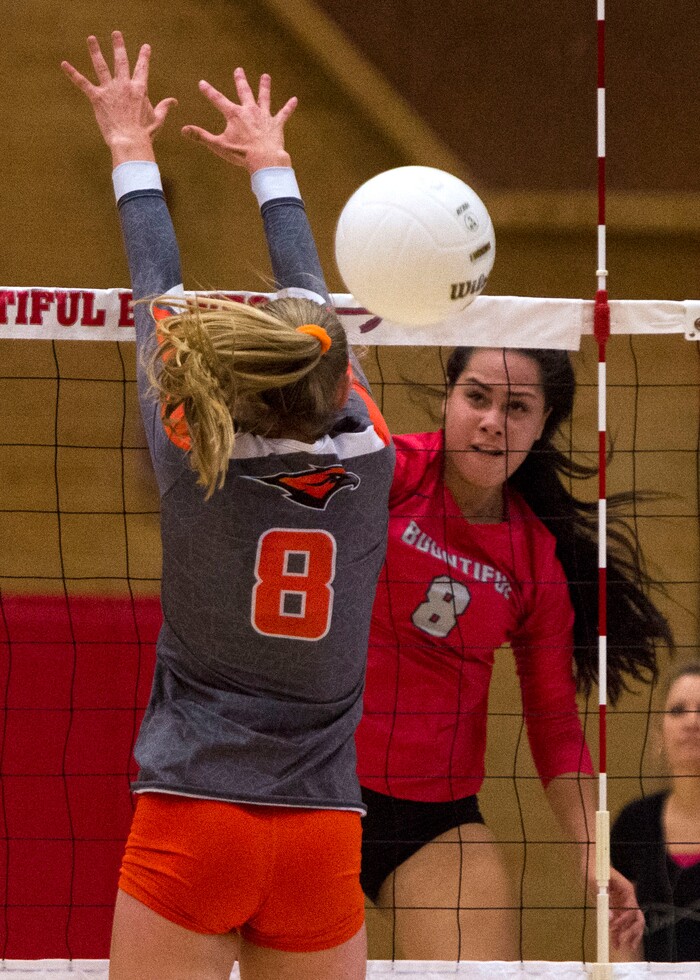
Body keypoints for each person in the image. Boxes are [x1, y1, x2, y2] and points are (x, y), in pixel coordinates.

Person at [61, 33, 394, 980]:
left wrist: (130, 142)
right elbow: (311, 315)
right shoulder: (370, 452)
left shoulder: (188, 447)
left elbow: (157, 287)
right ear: (335, 380)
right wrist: (274, 166)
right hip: (324, 838)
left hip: (192, 817)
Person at [353, 345, 674, 959]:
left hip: (429, 817)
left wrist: (593, 856)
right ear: (449, 399)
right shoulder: (388, 474)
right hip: (314, 783)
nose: (493, 420)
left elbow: (554, 721)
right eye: (477, 397)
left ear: (542, 424)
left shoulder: (533, 560)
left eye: (517, 407)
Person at [611, 661, 700, 962]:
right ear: (659, 736)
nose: (692, 722)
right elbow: (621, 943)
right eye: (677, 710)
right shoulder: (634, 824)